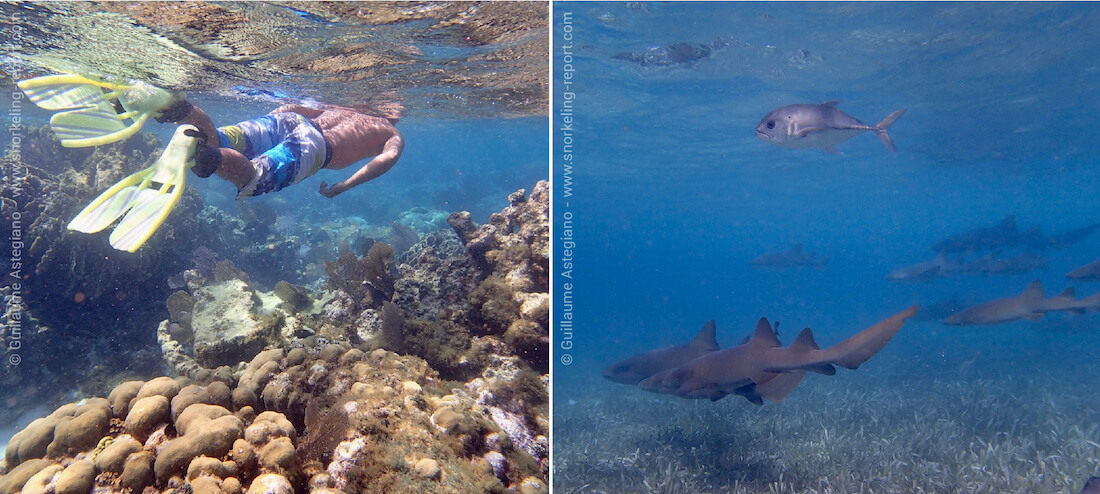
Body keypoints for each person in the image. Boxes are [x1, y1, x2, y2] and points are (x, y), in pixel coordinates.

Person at [157, 100, 404, 198]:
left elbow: (298, 107)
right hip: (316, 146)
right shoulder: (391, 133)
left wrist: (271, 118)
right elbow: (387, 158)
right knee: (254, 177)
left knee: (221, 138)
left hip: (291, 120)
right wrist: (345, 185)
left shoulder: (349, 107)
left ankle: (176, 107)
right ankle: (207, 156)